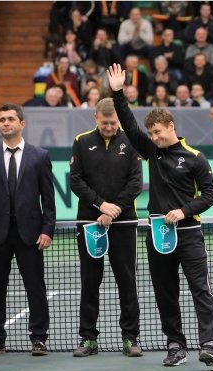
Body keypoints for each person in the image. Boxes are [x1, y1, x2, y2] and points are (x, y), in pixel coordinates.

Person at [107, 63, 213, 367]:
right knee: (165, 294)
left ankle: (208, 344)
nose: (154, 138)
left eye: (158, 132)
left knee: (201, 291)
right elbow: (129, 125)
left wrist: (183, 211)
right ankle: (175, 345)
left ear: (171, 127)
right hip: (158, 236)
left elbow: (211, 195)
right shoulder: (151, 151)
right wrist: (117, 92)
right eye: (151, 134)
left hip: (190, 235)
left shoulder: (196, 158)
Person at [0, 103, 56, 356]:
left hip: (31, 235)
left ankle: (39, 339)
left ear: (22, 124)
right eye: (1, 119)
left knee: (35, 287)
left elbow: (48, 198)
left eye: (10, 119)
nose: (5, 123)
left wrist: (47, 229)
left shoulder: (40, 156)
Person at [70, 98, 143, 357]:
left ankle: (130, 338)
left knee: (127, 281)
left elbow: (136, 182)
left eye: (113, 123)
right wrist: (101, 205)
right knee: (90, 281)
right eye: (105, 123)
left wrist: (114, 210)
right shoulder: (81, 142)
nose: (109, 127)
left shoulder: (131, 141)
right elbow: (75, 180)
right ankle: (88, 338)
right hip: (90, 224)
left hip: (123, 223)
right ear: (95, 119)